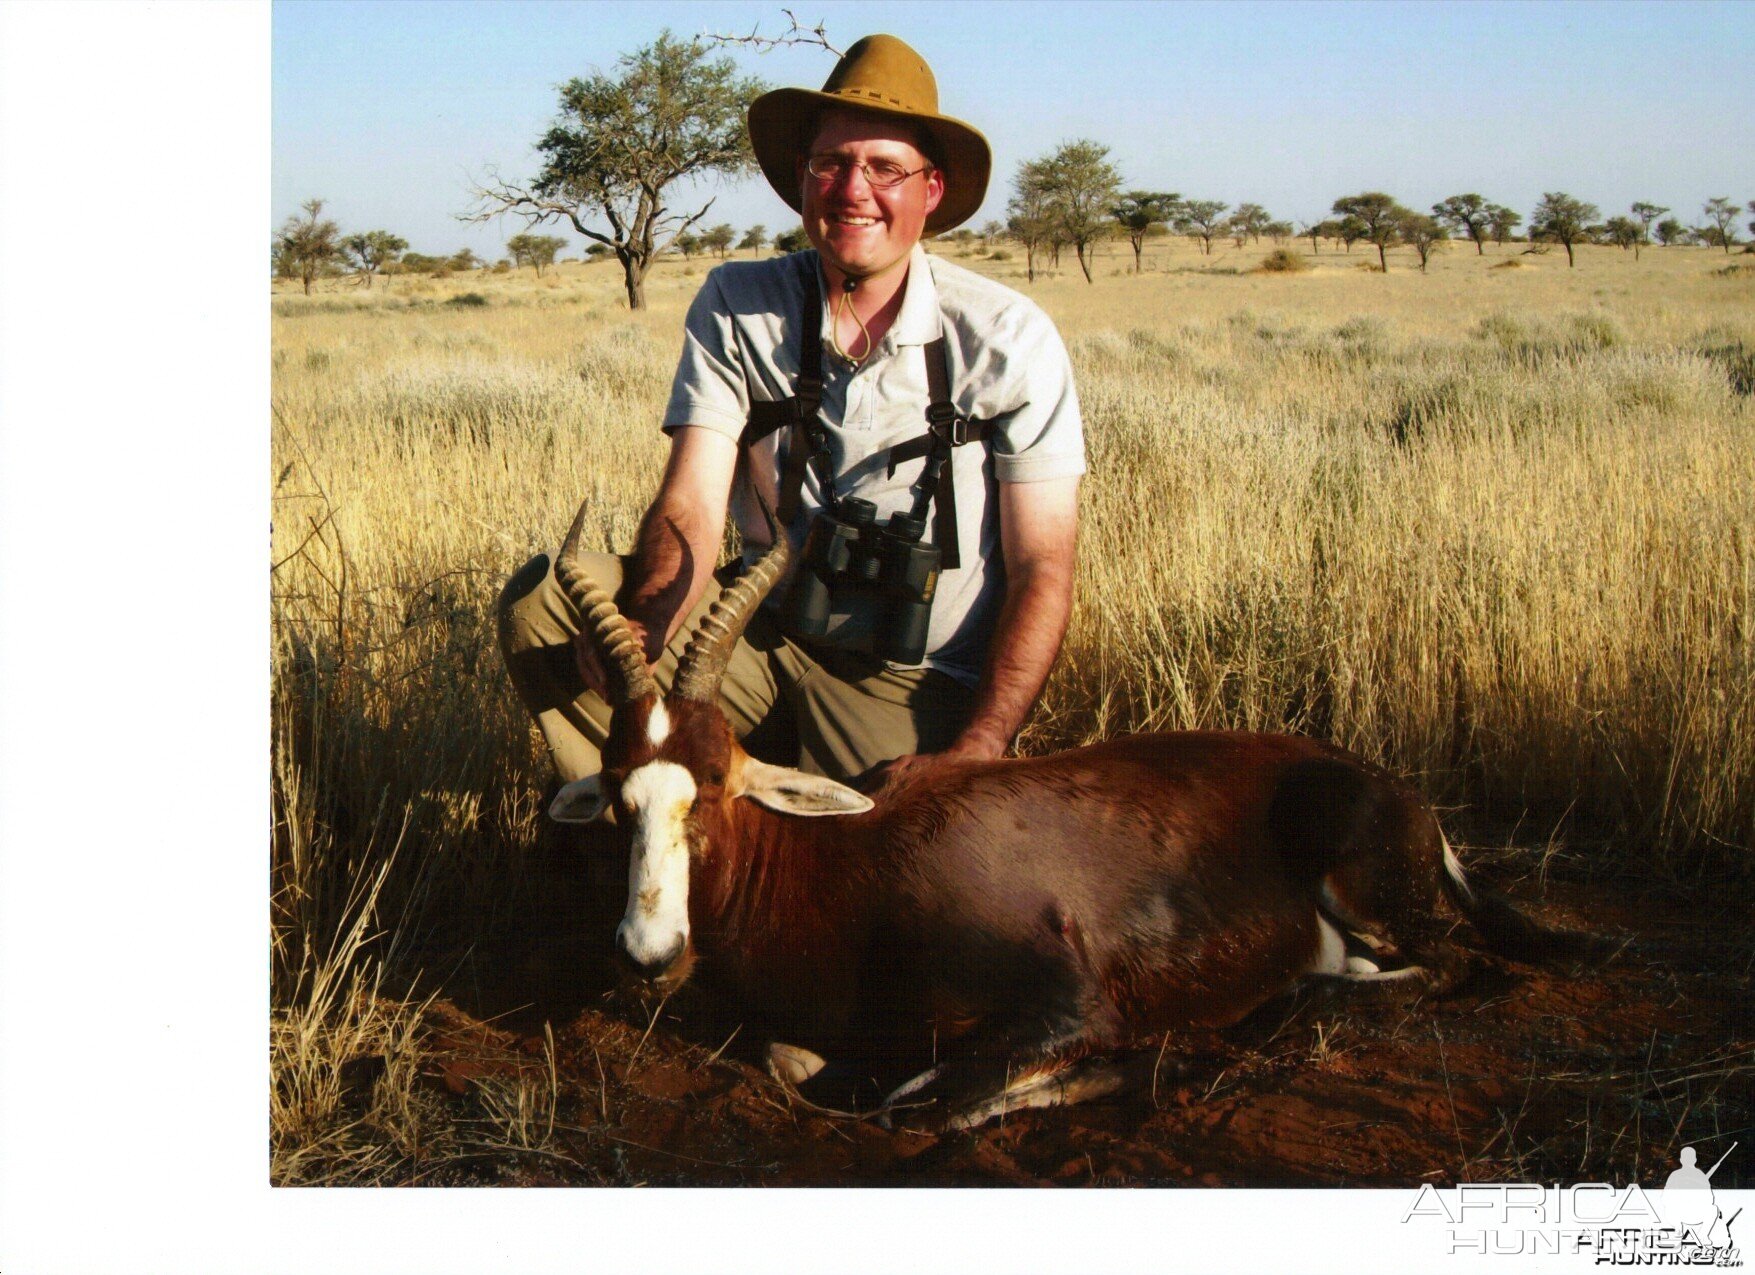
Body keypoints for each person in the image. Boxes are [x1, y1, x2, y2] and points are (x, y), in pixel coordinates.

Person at [498, 33, 1085, 789]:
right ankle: (641, 826)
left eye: (885, 168)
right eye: (830, 163)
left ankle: (737, 798)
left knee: (873, 866)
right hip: (755, 635)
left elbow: (1042, 566)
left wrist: (980, 748)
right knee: (548, 609)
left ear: (930, 190)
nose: (852, 190)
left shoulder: (1007, 337)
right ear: (801, 179)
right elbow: (692, 503)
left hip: (908, 679)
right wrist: (647, 626)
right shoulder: (738, 302)